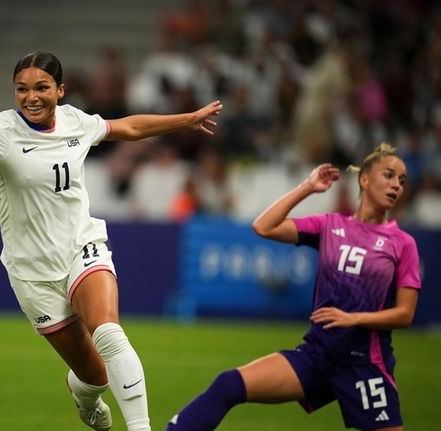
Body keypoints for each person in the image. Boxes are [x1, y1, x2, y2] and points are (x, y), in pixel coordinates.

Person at [0, 51, 223, 431]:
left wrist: (187, 120)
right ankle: (85, 397)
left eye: (42, 88)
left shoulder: (75, 121)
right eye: (22, 89)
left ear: (60, 90)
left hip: (82, 247)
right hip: (33, 273)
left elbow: (127, 127)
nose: (31, 97)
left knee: (110, 333)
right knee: (95, 376)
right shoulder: (0, 132)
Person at [166, 143, 421, 431]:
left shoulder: (402, 244)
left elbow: (405, 315)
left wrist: (354, 319)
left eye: (401, 180)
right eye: (388, 175)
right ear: (364, 178)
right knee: (229, 384)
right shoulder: (330, 226)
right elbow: (263, 226)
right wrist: (308, 187)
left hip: (364, 364)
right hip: (317, 355)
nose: (396, 185)